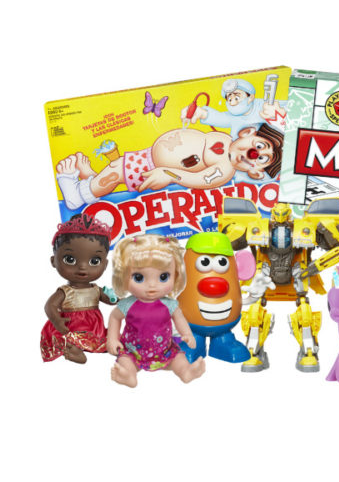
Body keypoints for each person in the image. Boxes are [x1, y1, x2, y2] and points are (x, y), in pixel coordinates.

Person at [55, 124, 283, 210]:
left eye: (261, 159)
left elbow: (198, 181)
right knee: (115, 170)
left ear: (255, 173)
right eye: (259, 146)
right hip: (148, 156)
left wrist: (167, 173)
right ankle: (93, 182)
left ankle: (78, 196)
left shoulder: (224, 170)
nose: (254, 154)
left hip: (152, 168)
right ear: (247, 132)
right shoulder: (226, 139)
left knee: (116, 170)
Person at [107, 234, 205, 387]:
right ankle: (128, 376)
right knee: (125, 360)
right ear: (123, 276)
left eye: (163, 277)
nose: (152, 285)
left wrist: (187, 334)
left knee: (178, 358)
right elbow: (114, 317)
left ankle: (186, 371)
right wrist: (112, 339)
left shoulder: (169, 304)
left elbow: (179, 318)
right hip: (133, 351)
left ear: (176, 275)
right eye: (139, 277)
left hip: (164, 351)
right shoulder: (127, 304)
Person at [41, 214, 115, 364]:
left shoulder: (96, 289)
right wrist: (57, 320)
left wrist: (115, 298)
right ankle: (73, 350)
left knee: (109, 337)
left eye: (94, 261)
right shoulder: (65, 291)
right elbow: (50, 305)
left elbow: (109, 300)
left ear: (105, 265)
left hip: (95, 329)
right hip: (71, 326)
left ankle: (106, 346)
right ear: (53, 261)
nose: (82, 267)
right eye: (70, 259)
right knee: (66, 338)